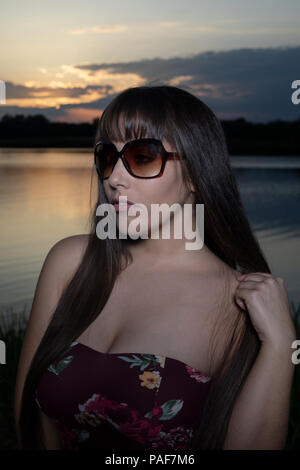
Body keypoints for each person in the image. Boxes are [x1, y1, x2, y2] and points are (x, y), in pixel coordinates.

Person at [14, 85, 296, 450]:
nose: (114, 178)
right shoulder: (70, 263)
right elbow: (29, 413)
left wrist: (280, 344)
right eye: (106, 157)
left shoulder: (239, 303)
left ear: (196, 173)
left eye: (142, 156)